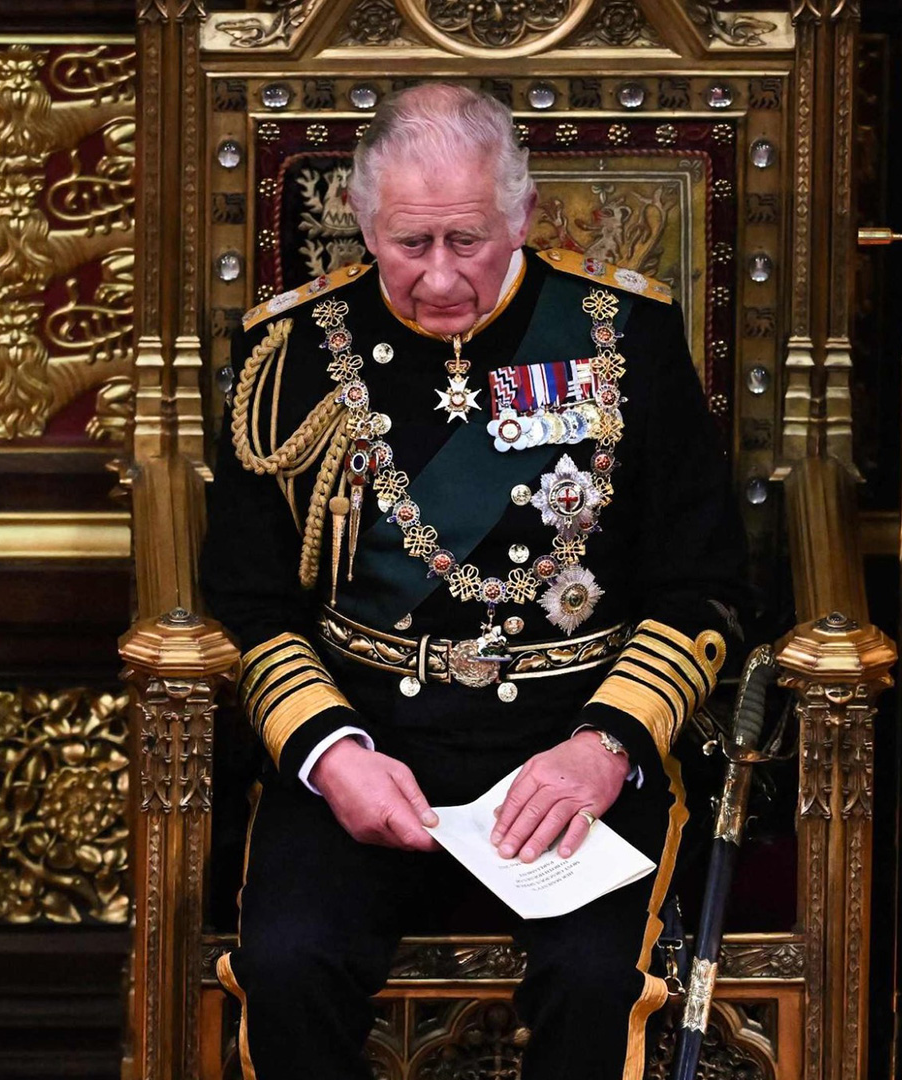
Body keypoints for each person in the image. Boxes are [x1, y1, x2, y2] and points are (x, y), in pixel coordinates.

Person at [201, 83, 746, 1080]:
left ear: (523, 214)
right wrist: (330, 752)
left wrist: (605, 746)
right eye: (409, 244)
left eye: (468, 239)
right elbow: (250, 597)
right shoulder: (290, 353)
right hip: (366, 737)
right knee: (287, 965)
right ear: (363, 219)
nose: (441, 275)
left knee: (596, 981)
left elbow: (703, 584)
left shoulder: (625, 336)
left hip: (570, 739)